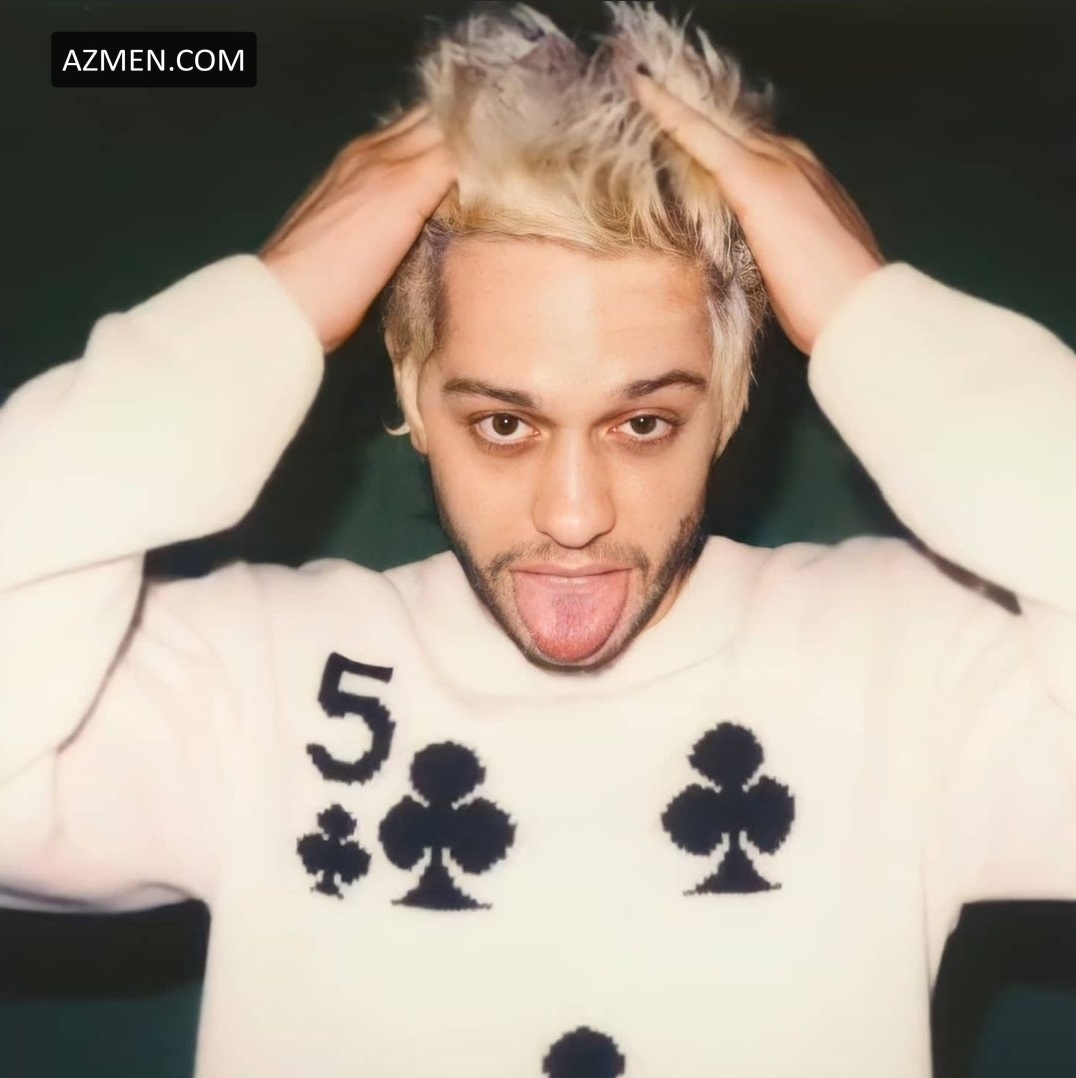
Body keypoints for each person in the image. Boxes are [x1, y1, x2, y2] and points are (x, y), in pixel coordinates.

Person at [1, 4, 1073, 1076]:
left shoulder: (913, 666)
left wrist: (870, 318)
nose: (572, 515)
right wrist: (270, 306)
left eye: (643, 423)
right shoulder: (245, 682)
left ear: (730, 402)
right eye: (503, 424)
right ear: (415, 400)